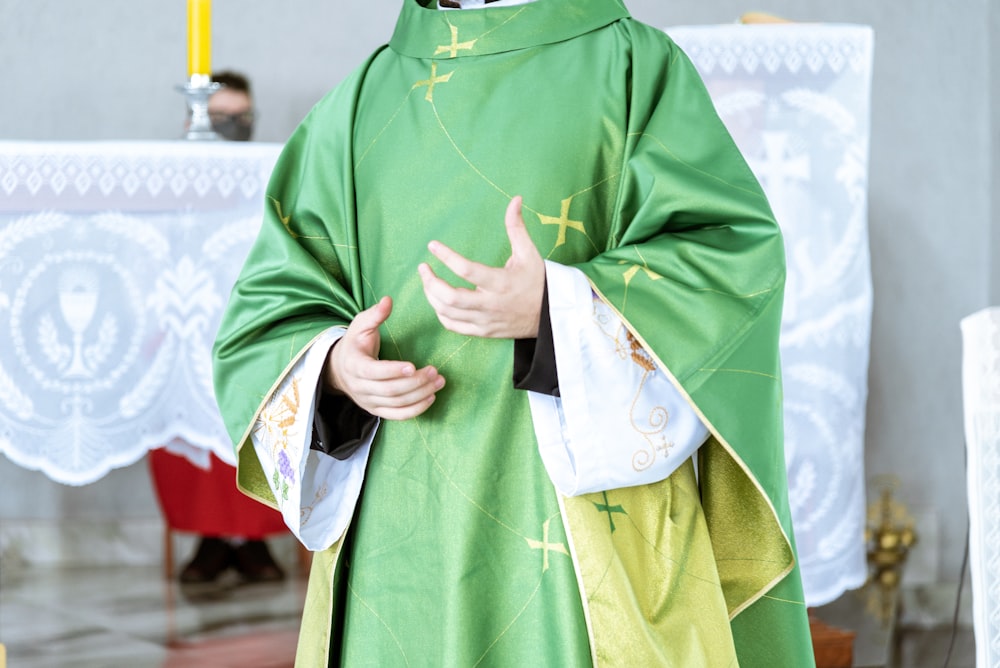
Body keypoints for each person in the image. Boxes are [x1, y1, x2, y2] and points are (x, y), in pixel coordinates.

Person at [213, 0, 817, 665]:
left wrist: (555, 310)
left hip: (580, 521)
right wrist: (334, 369)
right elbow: (273, 308)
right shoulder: (362, 99)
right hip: (400, 529)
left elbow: (730, 262)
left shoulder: (632, 67)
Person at [149, 69, 287, 585]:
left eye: (241, 118)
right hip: (189, 322)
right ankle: (208, 540)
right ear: (195, 118)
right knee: (174, 385)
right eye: (220, 118)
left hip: (252, 323)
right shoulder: (170, 178)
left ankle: (255, 543)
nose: (233, 127)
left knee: (267, 404)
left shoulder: (273, 173)